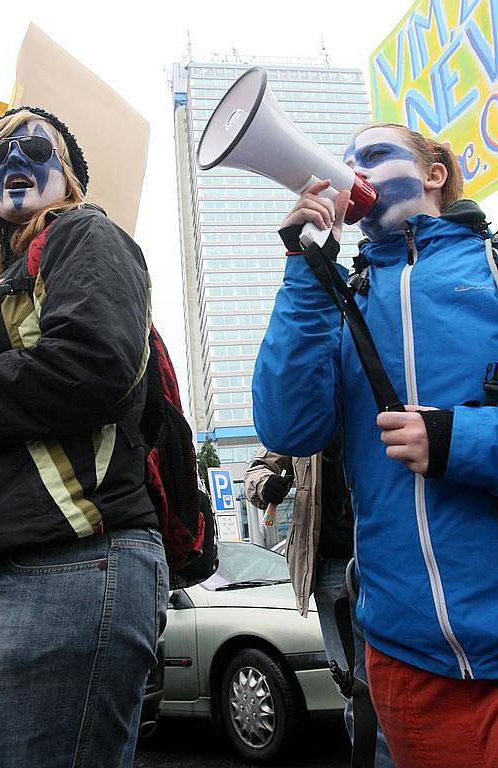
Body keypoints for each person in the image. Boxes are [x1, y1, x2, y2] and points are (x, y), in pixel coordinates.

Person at [0, 106, 168, 768]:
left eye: (32, 146)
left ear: (66, 173)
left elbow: (87, 363)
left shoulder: (85, 236)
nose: (12, 160)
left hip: (58, 570)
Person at [253, 123, 498, 767]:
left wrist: (459, 440)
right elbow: (287, 428)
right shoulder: (343, 297)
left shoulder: (495, 270)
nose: (352, 169)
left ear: (434, 174)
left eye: (376, 156)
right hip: (403, 653)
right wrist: (305, 271)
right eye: (348, 159)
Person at [243, 442, 394, 768]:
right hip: (333, 567)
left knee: (402, 678)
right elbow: (256, 470)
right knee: (355, 688)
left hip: (389, 561)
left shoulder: (378, 406)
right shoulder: (305, 420)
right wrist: (267, 485)